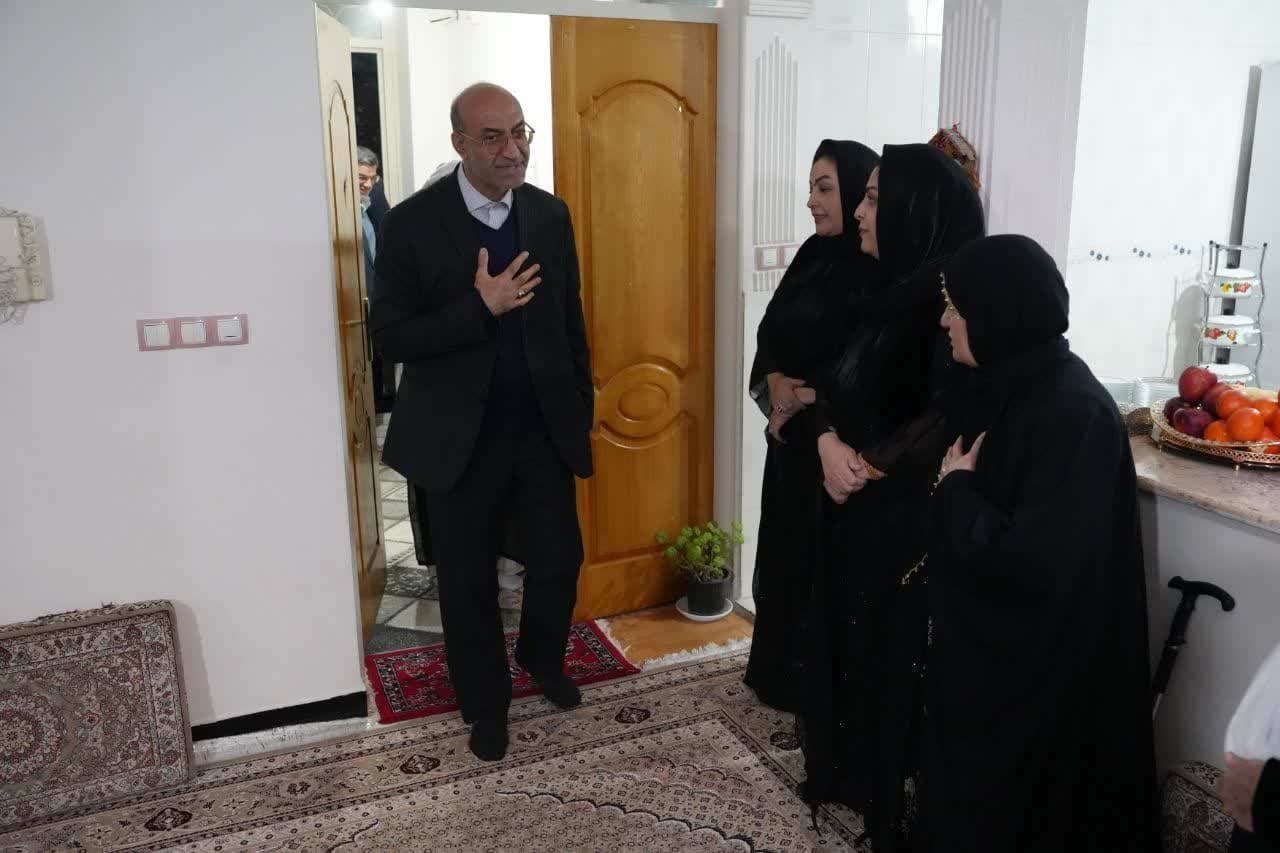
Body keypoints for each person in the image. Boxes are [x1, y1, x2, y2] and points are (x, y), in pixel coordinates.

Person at [369, 82, 593, 762]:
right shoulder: (412, 224)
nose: (512, 148)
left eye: (520, 132)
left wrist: (579, 409)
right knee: (467, 583)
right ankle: (486, 705)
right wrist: (479, 308)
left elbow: (570, 321)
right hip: (456, 440)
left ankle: (541, 658)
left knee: (560, 558)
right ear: (460, 143)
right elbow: (390, 338)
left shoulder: (549, 214)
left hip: (540, 430)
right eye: (493, 136)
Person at [921, 234, 1159, 852]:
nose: (945, 321)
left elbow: (1034, 561)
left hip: (1046, 678)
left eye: (956, 307)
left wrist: (957, 493)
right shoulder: (1012, 386)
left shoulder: (1072, 413)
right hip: (1008, 665)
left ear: (998, 314)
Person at [798, 143, 985, 851]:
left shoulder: (948, 300)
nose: (860, 211)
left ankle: (886, 795)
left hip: (901, 512)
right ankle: (848, 771)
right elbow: (829, 379)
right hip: (846, 491)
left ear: (916, 210)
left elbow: (948, 410)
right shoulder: (875, 285)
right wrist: (826, 442)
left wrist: (868, 465)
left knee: (888, 650)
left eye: (875, 198)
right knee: (844, 634)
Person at [744, 139, 880, 713]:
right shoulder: (811, 255)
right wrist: (775, 381)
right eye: (811, 188)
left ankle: (814, 690)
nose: (812, 201)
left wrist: (799, 397)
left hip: (833, 443)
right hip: (792, 441)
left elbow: (860, 364)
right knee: (784, 553)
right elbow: (771, 328)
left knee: (820, 563)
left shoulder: (874, 270)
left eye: (824, 188)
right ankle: (777, 675)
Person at [357, 145, 396, 414]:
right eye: (362, 177)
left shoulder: (369, 211)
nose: (368, 184)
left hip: (375, 304)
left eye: (373, 178)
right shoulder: (342, 215)